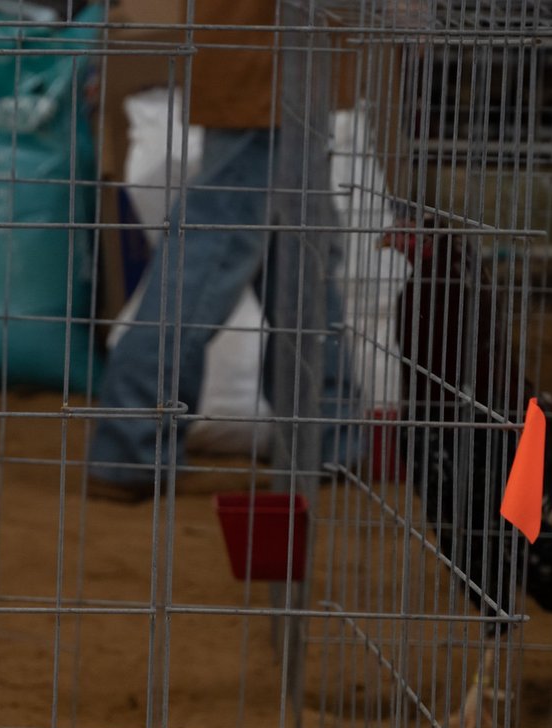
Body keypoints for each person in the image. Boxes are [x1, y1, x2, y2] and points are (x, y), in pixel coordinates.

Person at [89, 0, 358, 500]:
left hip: (280, 62)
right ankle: (132, 440)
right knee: (211, 251)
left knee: (300, 255)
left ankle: (326, 438)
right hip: (270, 62)